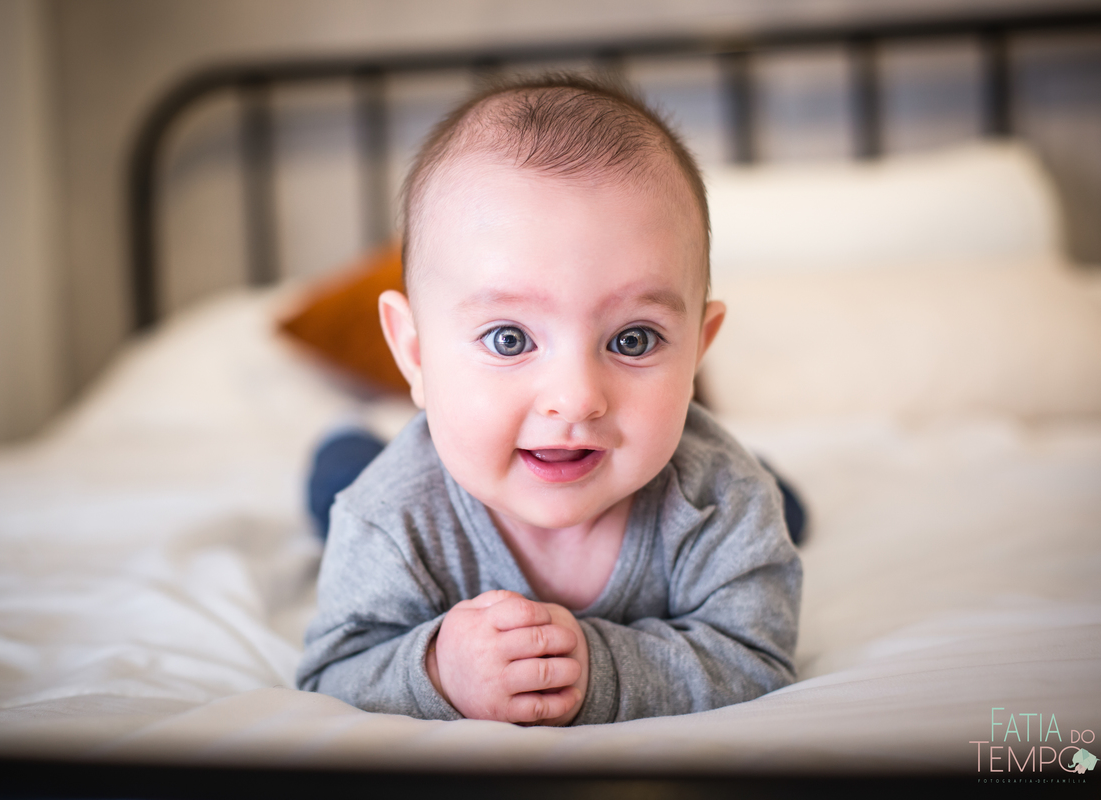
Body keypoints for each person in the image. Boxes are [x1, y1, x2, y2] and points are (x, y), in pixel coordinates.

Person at [296, 73, 802, 727]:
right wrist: (439, 673)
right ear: (414, 353)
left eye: (633, 339)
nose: (576, 399)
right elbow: (333, 674)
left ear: (697, 350)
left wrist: (595, 671)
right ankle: (346, 445)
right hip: (385, 474)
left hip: (705, 464)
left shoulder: (720, 501)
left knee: (775, 503)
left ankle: (779, 484)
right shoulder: (388, 521)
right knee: (337, 491)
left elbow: (755, 656)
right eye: (509, 339)